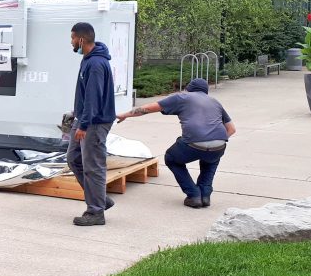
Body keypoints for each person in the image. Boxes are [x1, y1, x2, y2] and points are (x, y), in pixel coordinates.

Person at [116, 77, 236, 209]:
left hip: (193, 143)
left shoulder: (182, 97)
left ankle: (194, 195)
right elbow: (231, 129)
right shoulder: (215, 102)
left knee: (171, 158)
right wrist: (213, 141)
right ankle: (205, 195)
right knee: (211, 160)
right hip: (219, 144)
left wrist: (125, 115)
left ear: (188, 89)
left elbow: (148, 108)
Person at [68, 22, 116, 226]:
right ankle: (101, 198)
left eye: (72, 38)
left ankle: (96, 212)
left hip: (94, 123)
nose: (71, 42)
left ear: (81, 40)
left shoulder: (95, 64)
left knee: (93, 167)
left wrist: (84, 125)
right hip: (85, 118)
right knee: (74, 159)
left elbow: (93, 98)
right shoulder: (88, 59)